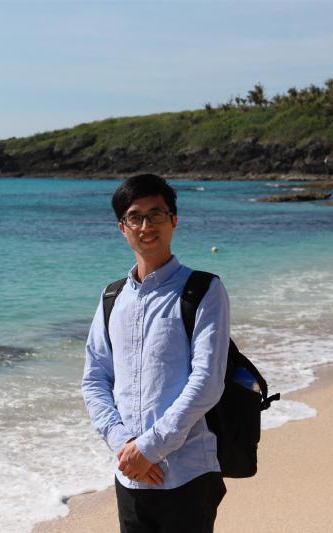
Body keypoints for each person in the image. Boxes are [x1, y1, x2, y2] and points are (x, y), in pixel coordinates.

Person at [82, 174, 230, 533]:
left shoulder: (203, 290)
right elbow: (94, 378)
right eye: (135, 217)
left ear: (173, 220)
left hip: (187, 475)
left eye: (156, 214)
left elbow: (207, 383)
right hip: (130, 476)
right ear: (123, 228)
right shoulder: (112, 297)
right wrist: (125, 445)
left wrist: (149, 449)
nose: (146, 226)